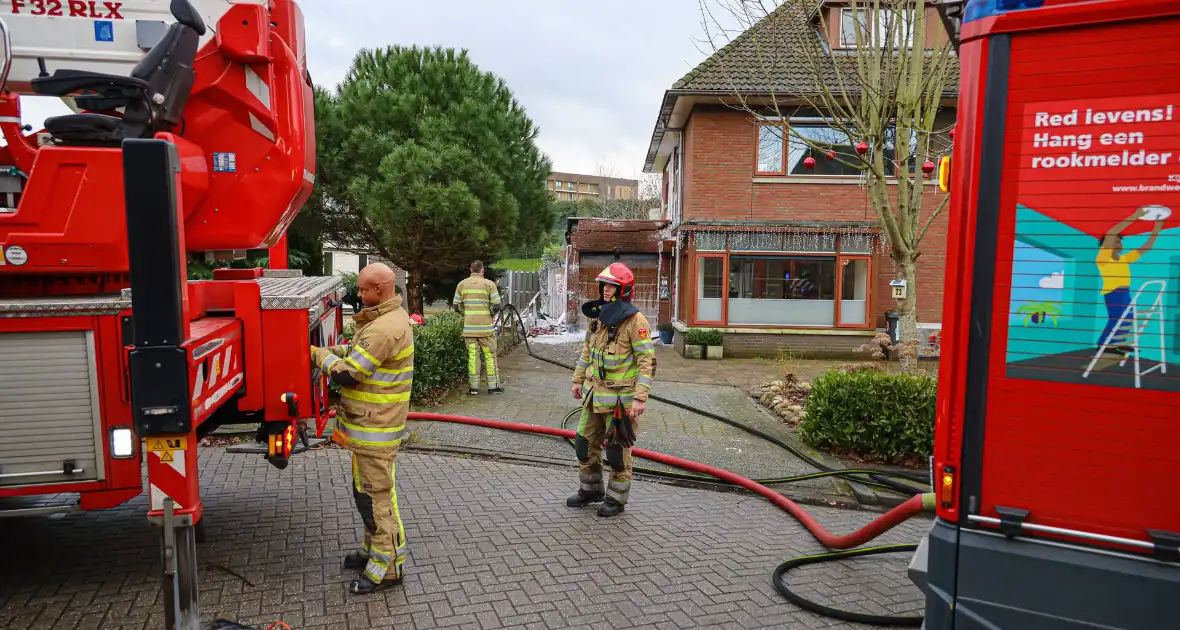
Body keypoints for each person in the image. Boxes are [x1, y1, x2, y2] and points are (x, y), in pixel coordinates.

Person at [311, 263, 414, 595]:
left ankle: (387, 570)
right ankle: (373, 551)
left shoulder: (385, 328)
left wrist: (317, 355)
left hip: (375, 429)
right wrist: (332, 351)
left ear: (381, 288)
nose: (359, 294)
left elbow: (349, 374)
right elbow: (358, 352)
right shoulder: (381, 321)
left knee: (377, 501)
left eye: (364, 289)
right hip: (368, 428)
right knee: (365, 495)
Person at [567, 263, 655, 517]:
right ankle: (591, 490)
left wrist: (640, 398)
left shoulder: (635, 321)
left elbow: (646, 362)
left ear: (623, 289)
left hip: (620, 400)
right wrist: (577, 379)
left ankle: (616, 499)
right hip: (594, 394)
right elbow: (587, 351)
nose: (606, 290)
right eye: (604, 285)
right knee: (584, 442)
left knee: (617, 452)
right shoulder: (597, 316)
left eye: (611, 286)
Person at [1095, 207, 1163, 354]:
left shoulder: (1124, 259)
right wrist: (1135, 216)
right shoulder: (1103, 258)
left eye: (1121, 242)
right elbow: (1112, 233)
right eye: (1117, 242)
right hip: (1113, 292)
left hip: (1125, 291)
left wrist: (1156, 228)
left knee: (1128, 318)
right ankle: (1104, 344)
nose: (1120, 244)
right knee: (1117, 318)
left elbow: (1146, 248)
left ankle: (1118, 342)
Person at [453, 261, 504, 395]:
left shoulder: (461, 284)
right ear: (482, 270)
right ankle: (493, 387)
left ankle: (473, 388)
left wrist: (467, 314)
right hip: (486, 329)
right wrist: (490, 314)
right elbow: (497, 305)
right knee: (489, 356)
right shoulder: (489, 284)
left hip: (469, 329)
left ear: (471, 270)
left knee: (473, 357)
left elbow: (456, 306)